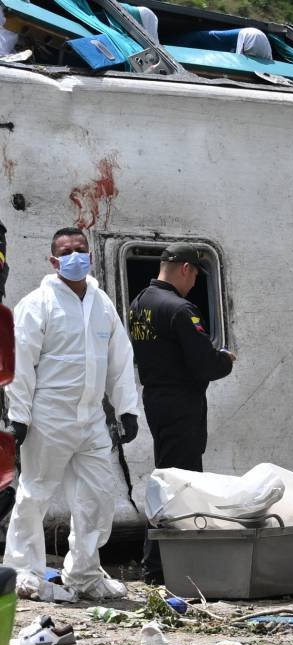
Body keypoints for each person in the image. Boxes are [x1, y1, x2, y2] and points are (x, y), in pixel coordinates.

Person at [4, 227, 140, 601]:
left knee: (99, 495)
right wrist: (20, 414)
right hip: (49, 416)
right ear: (53, 260)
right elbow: (22, 361)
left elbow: (120, 358)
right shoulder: (37, 303)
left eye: (80, 250)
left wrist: (127, 408)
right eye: (66, 252)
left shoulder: (101, 303)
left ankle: (84, 573)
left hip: (92, 418)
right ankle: (23, 571)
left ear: (91, 256)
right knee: (35, 494)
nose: (75, 257)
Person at [128, 243, 235, 585]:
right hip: (181, 405)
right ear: (186, 269)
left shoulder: (139, 304)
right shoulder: (179, 309)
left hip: (157, 401)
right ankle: (160, 567)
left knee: (166, 477)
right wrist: (224, 360)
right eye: (195, 276)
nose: (194, 285)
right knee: (181, 483)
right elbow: (204, 363)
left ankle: (160, 563)